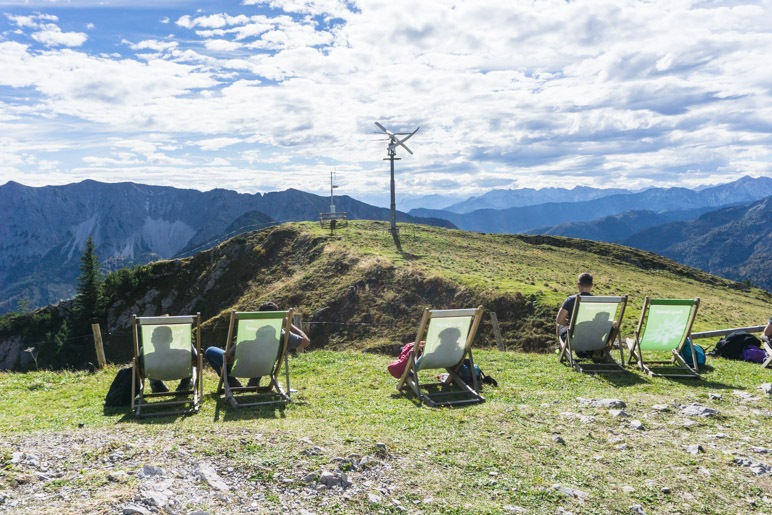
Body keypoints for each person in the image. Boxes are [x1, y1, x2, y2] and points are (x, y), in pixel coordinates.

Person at [205, 301, 310, 388]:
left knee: (210, 351)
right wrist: (289, 325)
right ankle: (253, 382)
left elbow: (229, 359)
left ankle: (232, 382)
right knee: (263, 358)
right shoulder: (284, 335)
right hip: (265, 368)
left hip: (241, 368)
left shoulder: (248, 331)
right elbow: (306, 342)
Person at [141, 325, 197, 393]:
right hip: (182, 373)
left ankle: (157, 385)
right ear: (171, 339)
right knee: (191, 359)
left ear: (152, 340)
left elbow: (142, 370)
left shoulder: (144, 354)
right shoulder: (187, 351)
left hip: (155, 373)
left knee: (146, 364)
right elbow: (196, 361)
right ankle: (185, 384)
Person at [556, 272, 595, 342]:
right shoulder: (596, 301)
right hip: (591, 336)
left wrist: (568, 323)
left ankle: (563, 350)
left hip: (573, 338)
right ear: (591, 285)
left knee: (559, 325)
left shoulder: (571, 300)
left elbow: (559, 320)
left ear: (578, 285)